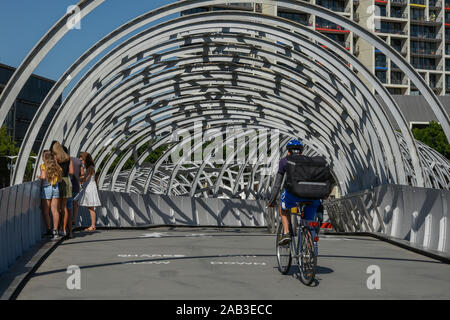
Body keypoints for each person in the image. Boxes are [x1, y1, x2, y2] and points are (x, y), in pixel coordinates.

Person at [267, 139, 331, 245]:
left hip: (294, 195)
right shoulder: (310, 161)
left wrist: (272, 200)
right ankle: (309, 254)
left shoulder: (284, 161)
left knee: (283, 207)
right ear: (302, 151)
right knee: (308, 223)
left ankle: (287, 233)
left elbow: (277, 184)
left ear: (288, 151)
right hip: (313, 197)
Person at [38, 150, 63, 240]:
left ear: (44, 157)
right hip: (55, 187)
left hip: (47, 188)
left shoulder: (43, 166)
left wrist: (39, 177)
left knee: (46, 210)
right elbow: (60, 178)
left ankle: (49, 230)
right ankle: (55, 231)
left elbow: (44, 177)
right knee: (55, 210)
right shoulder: (56, 166)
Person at [52, 141, 74, 238]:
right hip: (66, 181)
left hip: (59, 181)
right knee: (64, 207)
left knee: (58, 208)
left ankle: (58, 228)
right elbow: (72, 172)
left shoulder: (56, 158)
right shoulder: (68, 158)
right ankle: (63, 229)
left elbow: (55, 169)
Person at [78, 152, 101, 231]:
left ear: (85, 160)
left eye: (82, 160)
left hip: (90, 188)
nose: (81, 162)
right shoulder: (90, 167)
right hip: (90, 187)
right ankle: (93, 225)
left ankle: (93, 225)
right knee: (90, 207)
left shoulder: (90, 168)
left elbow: (85, 179)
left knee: (91, 207)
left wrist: (76, 178)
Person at [64, 146, 82, 228]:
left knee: (67, 205)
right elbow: (82, 174)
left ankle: (67, 222)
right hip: (77, 186)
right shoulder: (78, 161)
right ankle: (74, 219)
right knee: (75, 204)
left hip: (67, 186)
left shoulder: (65, 161)